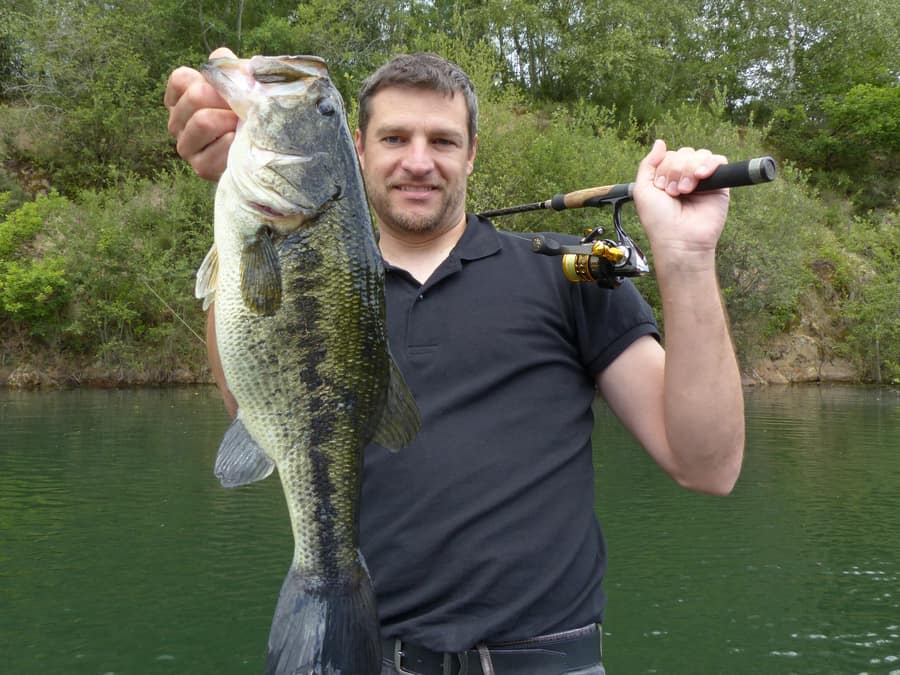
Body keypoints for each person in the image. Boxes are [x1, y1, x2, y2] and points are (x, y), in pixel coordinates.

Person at [165, 47, 744, 675]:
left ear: (471, 153)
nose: (419, 161)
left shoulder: (566, 274)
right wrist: (237, 210)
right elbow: (248, 401)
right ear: (357, 148)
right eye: (394, 137)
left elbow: (707, 465)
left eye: (442, 140)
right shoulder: (309, 275)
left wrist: (686, 258)